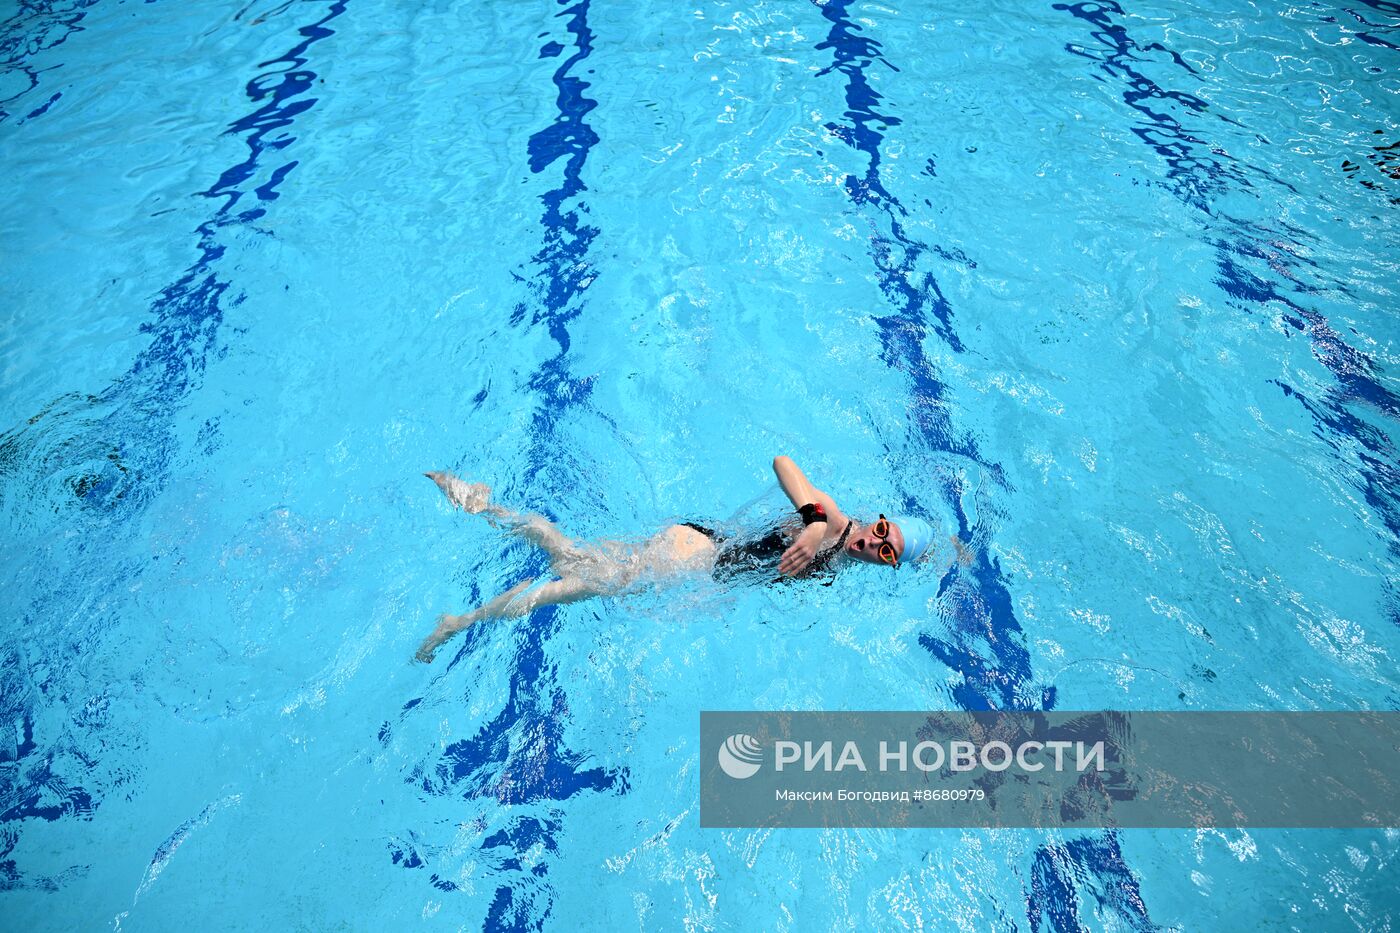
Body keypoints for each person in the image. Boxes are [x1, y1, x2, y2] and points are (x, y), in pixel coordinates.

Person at [414, 456, 945, 662]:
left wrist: (953, 552)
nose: (874, 544)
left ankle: (484, 504)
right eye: (882, 531)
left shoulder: (842, 562)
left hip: (697, 559)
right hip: (694, 555)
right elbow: (785, 463)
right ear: (877, 517)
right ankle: (461, 621)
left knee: (573, 558)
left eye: (888, 554)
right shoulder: (831, 519)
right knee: (576, 586)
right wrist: (810, 520)